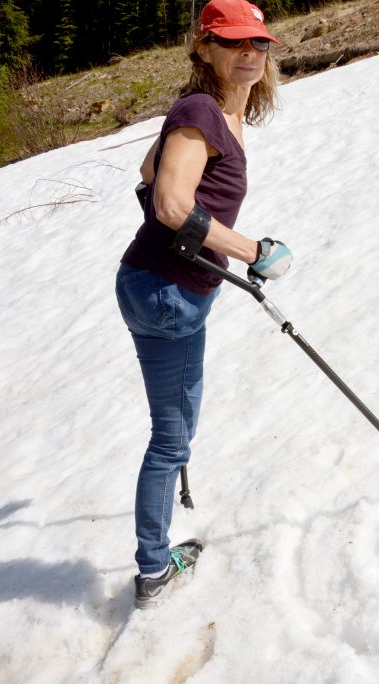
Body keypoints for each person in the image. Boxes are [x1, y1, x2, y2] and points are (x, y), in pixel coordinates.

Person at [115, 0, 293, 609]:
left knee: (173, 432)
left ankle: (155, 551)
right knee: (171, 439)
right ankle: (153, 570)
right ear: (204, 47)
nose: (249, 53)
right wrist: (252, 250)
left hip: (152, 283)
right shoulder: (200, 111)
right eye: (234, 42)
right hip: (168, 292)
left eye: (258, 43)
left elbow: (149, 170)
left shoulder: (214, 111)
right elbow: (168, 203)